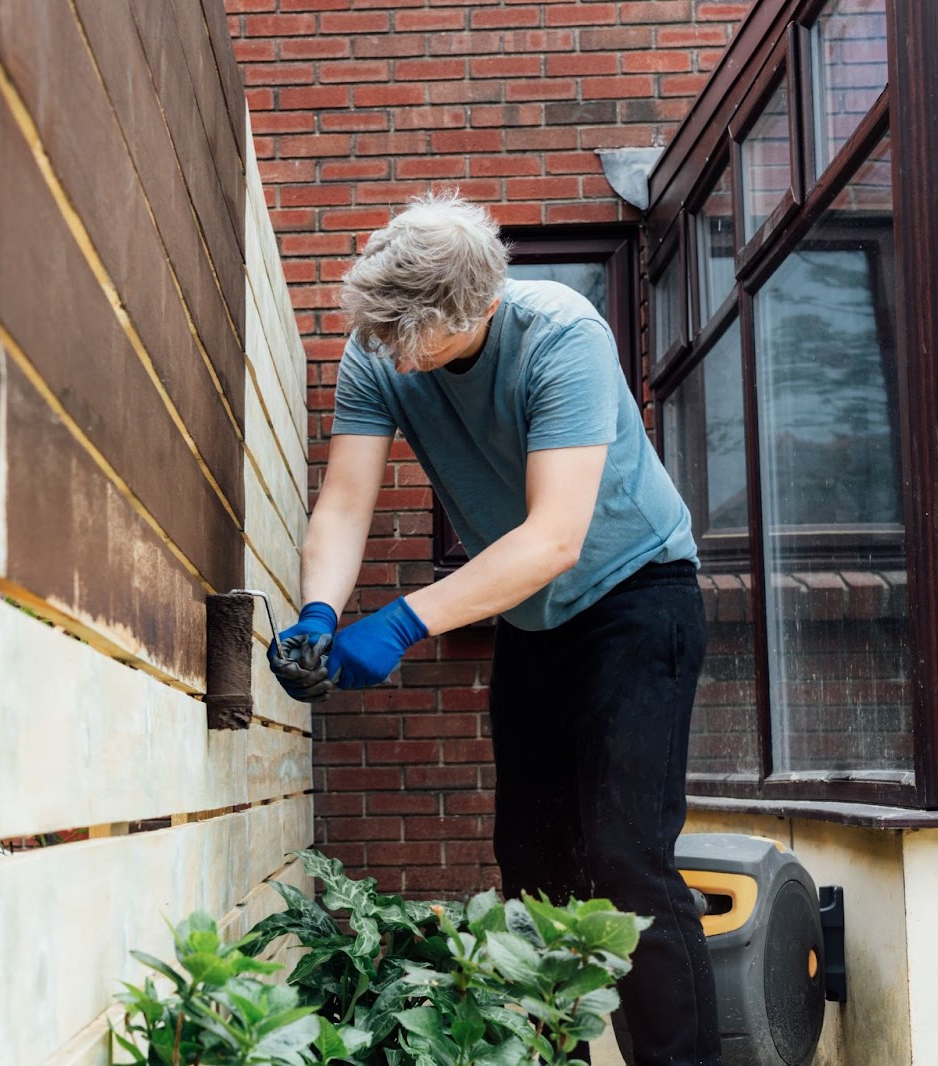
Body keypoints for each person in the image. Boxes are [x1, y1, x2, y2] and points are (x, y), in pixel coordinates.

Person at [270, 191, 719, 1065]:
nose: (395, 356)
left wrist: (401, 623)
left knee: (626, 856)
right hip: (534, 620)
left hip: (638, 596)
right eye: (382, 334)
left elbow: (554, 538)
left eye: (414, 340)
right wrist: (320, 610)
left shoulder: (561, 336)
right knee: (534, 861)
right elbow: (346, 498)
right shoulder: (381, 345)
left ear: (481, 307)